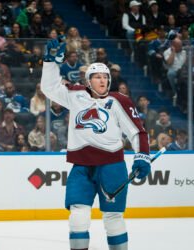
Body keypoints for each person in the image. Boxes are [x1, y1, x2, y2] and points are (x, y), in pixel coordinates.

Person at [41, 38, 151, 250]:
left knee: (113, 218)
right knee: (78, 217)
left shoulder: (120, 100)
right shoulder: (75, 95)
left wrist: (142, 156)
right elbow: (49, 87)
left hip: (112, 167)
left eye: (105, 77)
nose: (101, 81)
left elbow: (137, 131)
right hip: (81, 167)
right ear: (88, 81)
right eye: (96, 77)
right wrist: (50, 63)